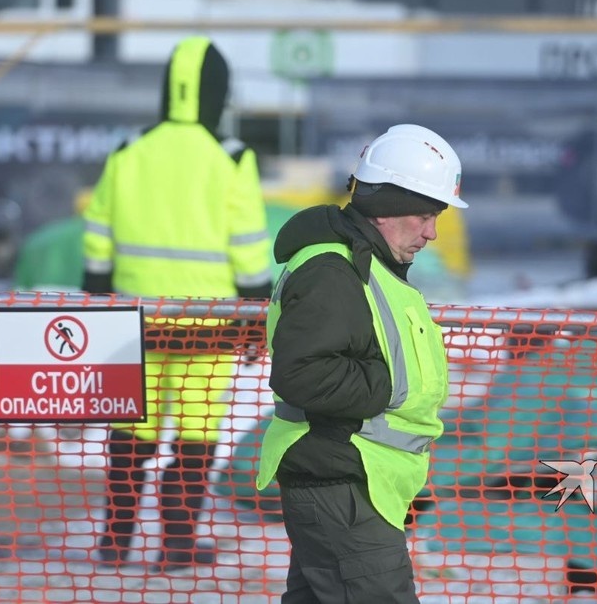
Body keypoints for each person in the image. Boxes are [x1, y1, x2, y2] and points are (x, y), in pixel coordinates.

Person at [82, 35, 273, 571]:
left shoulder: (128, 151)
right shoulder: (233, 158)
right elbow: (250, 251)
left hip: (132, 323)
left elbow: (97, 233)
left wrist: (98, 298)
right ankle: (177, 545)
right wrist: (257, 317)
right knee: (195, 436)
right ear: (218, 93)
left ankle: (115, 542)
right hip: (209, 328)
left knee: (131, 433)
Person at [256, 124, 468, 602]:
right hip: (343, 486)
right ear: (386, 207)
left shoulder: (372, 268)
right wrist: (384, 384)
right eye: (423, 216)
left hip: (360, 484)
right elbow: (302, 373)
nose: (432, 232)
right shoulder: (333, 270)